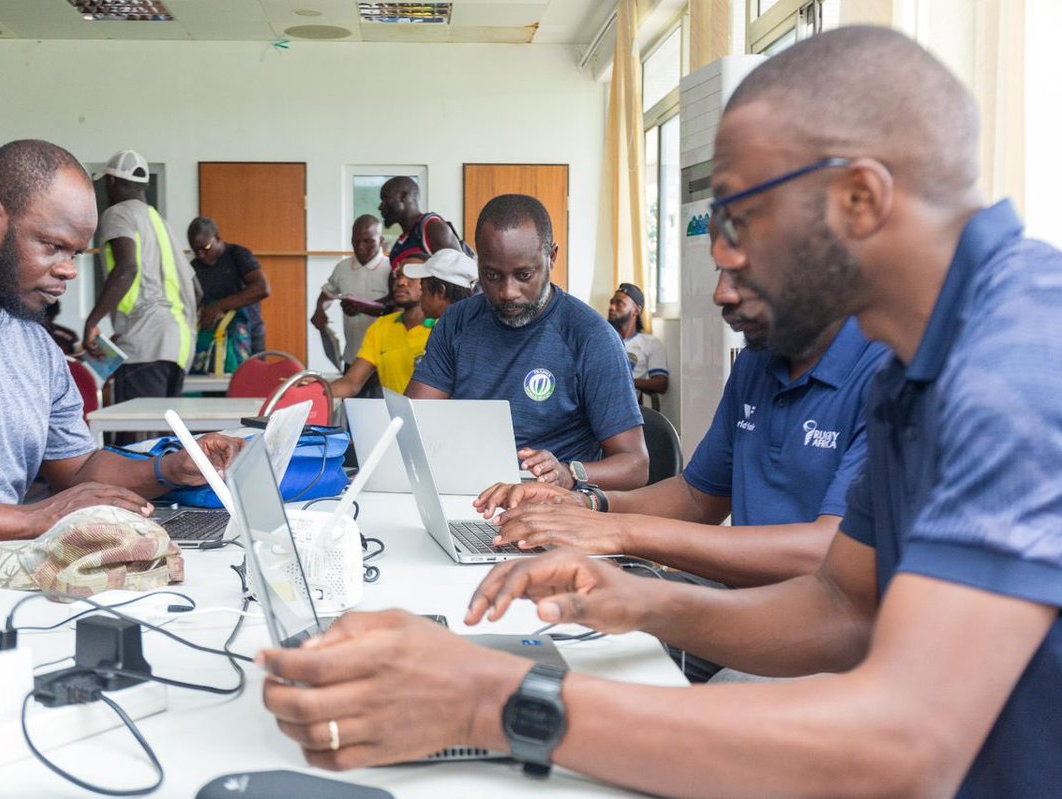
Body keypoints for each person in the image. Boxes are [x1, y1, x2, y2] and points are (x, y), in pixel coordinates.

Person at [260, 27, 1062, 796]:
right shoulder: (914, 364)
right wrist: (643, 598)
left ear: (860, 198)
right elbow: (845, 606)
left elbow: (905, 742)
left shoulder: (1021, 362)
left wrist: (490, 699)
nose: (720, 259)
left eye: (739, 220)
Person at [0, 139, 241, 595]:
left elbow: (77, 470)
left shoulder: (32, 341)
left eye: (76, 253)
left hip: (0, 578)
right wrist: (34, 518)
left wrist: (169, 470)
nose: (69, 270)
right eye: (52, 246)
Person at [480, 271, 888, 682]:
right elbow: (697, 498)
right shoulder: (756, 363)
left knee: (604, 682)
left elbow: (828, 554)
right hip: (743, 600)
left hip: (827, 638)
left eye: (747, 270)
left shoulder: (887, 374)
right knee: (555, 636)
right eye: (720, 271)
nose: (720, 293)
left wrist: (622, 531)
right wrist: (587, 504)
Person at [407, 194, 647, 492]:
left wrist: (569, 472)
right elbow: (413, 425)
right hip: (464, 494)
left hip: (551, 508)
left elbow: (635, 464)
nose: (508, 292)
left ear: (552, 258)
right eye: (492, 275)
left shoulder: (591, 337)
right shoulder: (457, 321)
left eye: (524, 275)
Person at [84, 149, 198, 403]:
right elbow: (196, 288)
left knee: (135, 434)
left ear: (111, 181)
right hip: (179, 346)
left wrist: (92, 322)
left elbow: (127, 267)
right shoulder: (161, 223)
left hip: (146, 346)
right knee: (162, 436)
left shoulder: (118, 213)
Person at [326, 259, 430, 399]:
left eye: (411, 276)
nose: (400, 282)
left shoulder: (444, 327)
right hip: (395, 418)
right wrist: (311, 393)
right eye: (398, 276)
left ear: (428, 283)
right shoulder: (382, 326)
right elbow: (351, 383)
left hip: (434, 416)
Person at [310, 215, 392, 370]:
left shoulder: (391, 269)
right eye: (355, 241)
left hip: (384, 359)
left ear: (380, 240)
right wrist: (320, 310)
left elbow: (396, 307)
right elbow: (328, 293)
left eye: (368, 241)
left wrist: (363, 307)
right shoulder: (343, 268)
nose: (360, 247)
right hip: (353, 356)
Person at [186, 216, 271, 355]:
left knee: (249, 374)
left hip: (247, 333)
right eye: (195, 251)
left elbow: (262, 288)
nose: (200, 255)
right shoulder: (194, 266)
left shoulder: (238, 255)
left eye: (205, 248)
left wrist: (218, 306)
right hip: (212, 338)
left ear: (218, 239)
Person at [378, 176, 463, 270]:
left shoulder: (433, 228)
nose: (380, 207)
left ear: (404, 197)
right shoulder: (402, 241)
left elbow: (460, 274)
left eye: (385, 199)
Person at [608, 282, 668, 395]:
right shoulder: (603, 341)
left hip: (626, 405)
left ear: (637, 310)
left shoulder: (650, 343)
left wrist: (625, 381)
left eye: (619, 303)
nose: (611, 307)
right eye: (611, 303)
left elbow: (661, 384)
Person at [402, 248, 477, 321]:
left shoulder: (456, 330)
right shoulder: (467, 323)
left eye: (423, 290)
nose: (421, 299)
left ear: (441, 291)